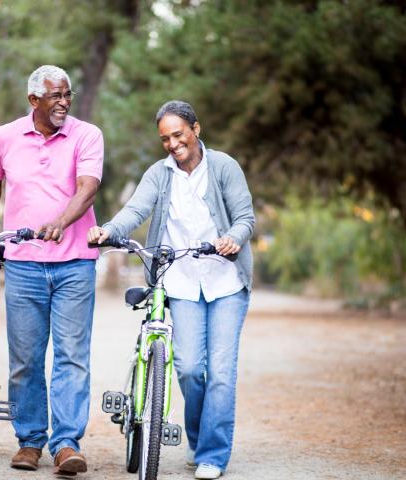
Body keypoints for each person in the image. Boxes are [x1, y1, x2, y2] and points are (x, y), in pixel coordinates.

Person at [87, 100, 254, 480]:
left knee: (222, 373)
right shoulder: (159, 174)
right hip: (179, 280)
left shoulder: (224, 167)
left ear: (196, 129)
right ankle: (199, 439)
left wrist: (232, 238)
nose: (173, 144)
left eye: (178, 134)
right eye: (165, 138)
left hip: (226, 282)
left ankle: (212, 454)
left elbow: (245, 217)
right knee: (191, 368)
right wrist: (109, 230)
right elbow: (135, 211)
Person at [0, 65, 103, 475]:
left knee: (71, 357)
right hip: (23, 264)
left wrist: (61, 223)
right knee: (26, 358)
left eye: (68, 94)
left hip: (75, 264)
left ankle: (66, 444)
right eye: (55, 96)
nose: (64, 102)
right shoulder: (5, 136)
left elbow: (88, 187)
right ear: (34, 100)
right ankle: (30, 441)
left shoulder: (87, 135)